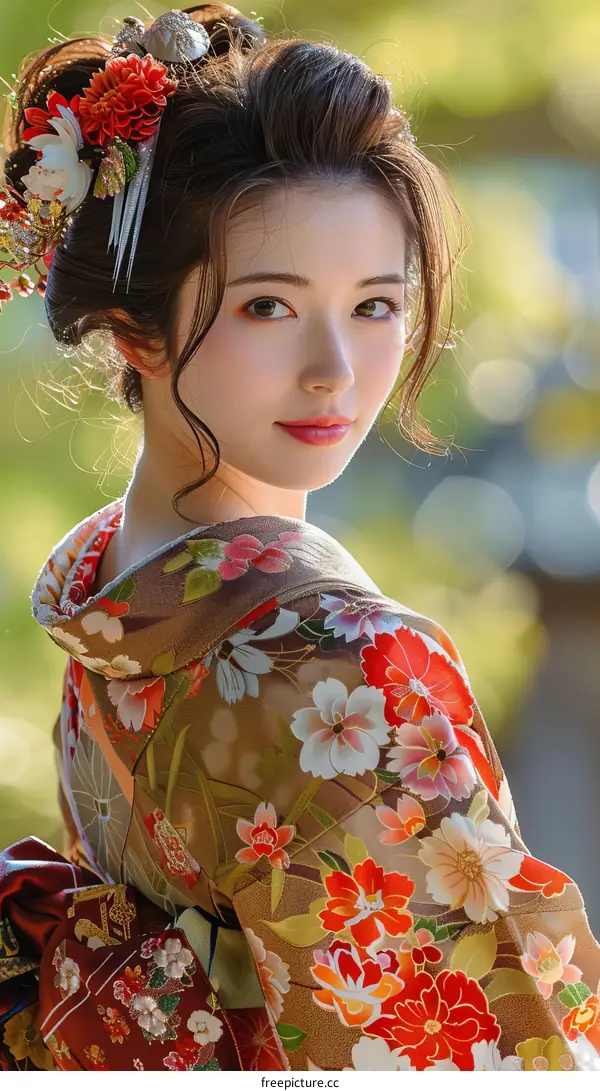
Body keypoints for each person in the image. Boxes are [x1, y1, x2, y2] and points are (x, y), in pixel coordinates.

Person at [1, 3, 599, 1075]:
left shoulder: (109, 588)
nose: (335, 369)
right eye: (270, 308)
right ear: (138, 329)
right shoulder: (337, 665)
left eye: (376, 305)